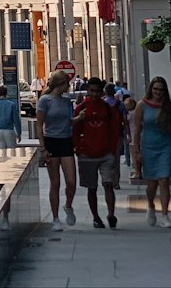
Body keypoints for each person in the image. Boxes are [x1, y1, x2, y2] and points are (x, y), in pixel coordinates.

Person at [131, 76, 171, 228]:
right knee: (152, 183)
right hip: (149, 146)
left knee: (164, 180)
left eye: (161, 90)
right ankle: (150, 206)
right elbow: (137, 129)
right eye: (155, 89)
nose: (158, 92)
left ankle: (165, 215)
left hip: (165, 146)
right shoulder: (142, 105)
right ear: (151, 89)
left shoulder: (168, 106)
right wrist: (136, 151)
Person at [73, 77, 122, 228]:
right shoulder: (80, 109)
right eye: (92, 91)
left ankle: (111, 214)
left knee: (108, 184)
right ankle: (96, 217)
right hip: (87, 154)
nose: (94, 94)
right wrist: (78, 149)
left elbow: (115, 131)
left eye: (97, 91)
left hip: (106, 153)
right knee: (91, 187)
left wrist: (113, 151)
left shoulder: (109, 109)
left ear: (102, 92)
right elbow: (75, 131)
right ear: (88, 90)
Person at [36, 69, 78, 231]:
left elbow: (69, 121)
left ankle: (68, 205)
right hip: (51, 141)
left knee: (71, 182)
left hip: (66, 141)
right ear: (61, 84)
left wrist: (78, 119)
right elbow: (39, 125)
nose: (68, 86)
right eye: (67, 83)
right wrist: (43, 148)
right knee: (55, 183)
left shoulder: (67, 101)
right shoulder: (45, 101)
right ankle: (55, 218)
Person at [103, 83, 130, 183]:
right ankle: (116, 181)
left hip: (104, 134)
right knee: (116, 158)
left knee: (106, 158)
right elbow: (125, 120)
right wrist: (128, 134)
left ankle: (108, 179)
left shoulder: (102, 103)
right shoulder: (119, 104)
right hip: (118, 133)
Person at [0, 85, 22, 151]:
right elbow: (16, 120)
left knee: (0, 153)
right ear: (6, 93)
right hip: (9, 131)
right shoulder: (12, 105)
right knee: (12, 152)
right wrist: (19, 133)